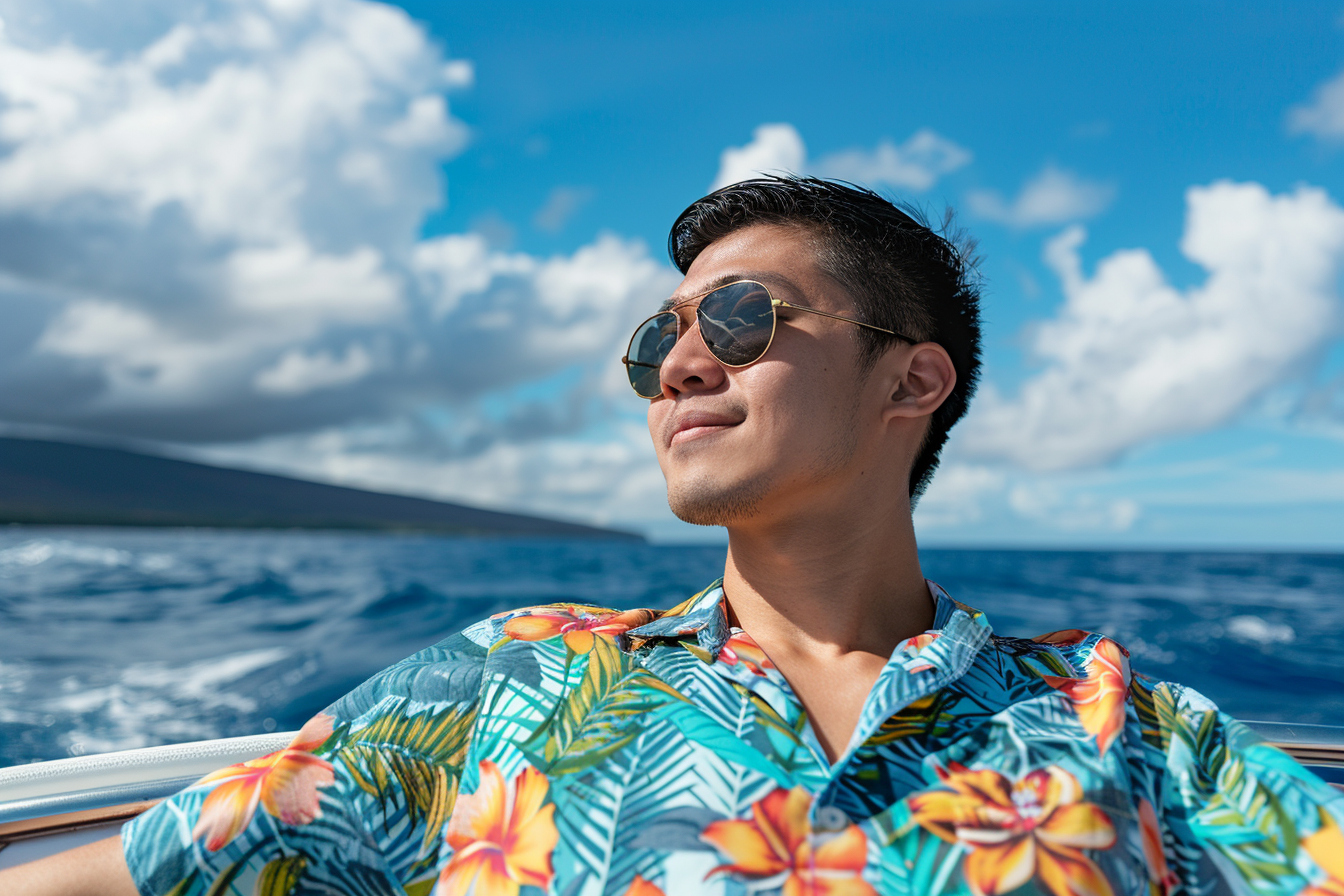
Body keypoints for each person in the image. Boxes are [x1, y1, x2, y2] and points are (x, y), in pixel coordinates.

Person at [6, 176, 1343, 896]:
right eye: (661, 340)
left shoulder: (1119, 721)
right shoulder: (509, 683)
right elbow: (127, 875)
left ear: (912, 380)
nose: (682, 366)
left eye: (744, 319)